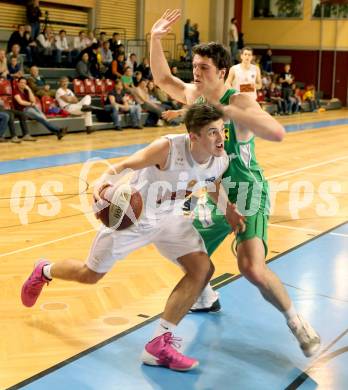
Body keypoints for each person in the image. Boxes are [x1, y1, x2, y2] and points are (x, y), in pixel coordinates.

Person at [21, 103, 245, 371]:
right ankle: (44, 270)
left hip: (169, 218)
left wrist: (229, 210)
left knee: (202, 268)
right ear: (193, 136)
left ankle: (158, 345)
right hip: (133, 218)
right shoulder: (168, 148)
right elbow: (125, 165)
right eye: (212, 132)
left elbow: (211, 183)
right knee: (89, 274)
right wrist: (103, 183)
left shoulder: (219, 158)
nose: (220, 138)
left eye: (221, 130)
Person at [150, 9, 321, 358]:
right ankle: (206, 295)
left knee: (251, 267)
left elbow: (273, 129)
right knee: (184, 247)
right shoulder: (194, 97)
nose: (195, 74)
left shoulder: (239, 101)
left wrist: (232, 112)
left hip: (247, 191)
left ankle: (296, 321)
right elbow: (164, 79)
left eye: (204, 69)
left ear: (222, 72)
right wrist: (154, 38)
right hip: (216, 193)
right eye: (194, 67)